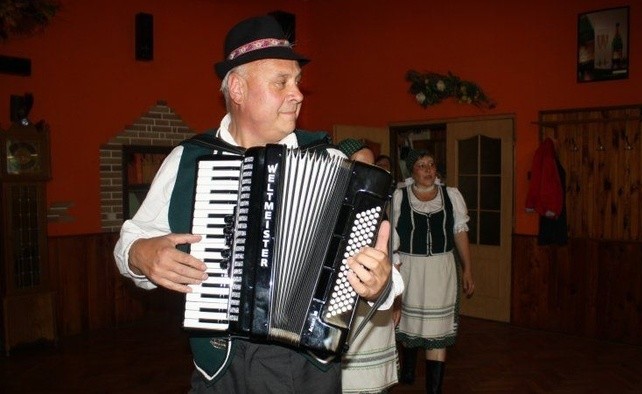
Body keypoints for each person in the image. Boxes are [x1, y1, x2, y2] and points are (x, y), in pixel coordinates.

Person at [114, 15, 399, 393]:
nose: (297, 93)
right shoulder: (190, 159)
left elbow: (382, 275)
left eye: (297, 82)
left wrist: (382, 283)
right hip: (223, 371)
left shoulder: (330, 162)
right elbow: (128, 242)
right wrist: (140, 254)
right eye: (282, 82)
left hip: (309, 369)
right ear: (237, 88)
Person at [392, 149, 476, 394]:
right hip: (410, 269)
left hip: (441, 269)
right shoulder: (399, 197)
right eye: (421, 165)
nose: (428, 169)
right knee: (409, 325)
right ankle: (408, 367)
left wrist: (467, 269)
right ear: (412, 170)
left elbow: (460, 232)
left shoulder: (451, 196)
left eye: (431, 164)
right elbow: (392, 239)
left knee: (437, 331)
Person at [336, 139, 402, 394]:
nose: (370, 174)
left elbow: (394, 260)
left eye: (373, 166)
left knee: (375, 385)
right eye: (361, 166)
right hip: (342, 315)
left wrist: (397, 300)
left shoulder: (379, 210)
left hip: (375, 312)